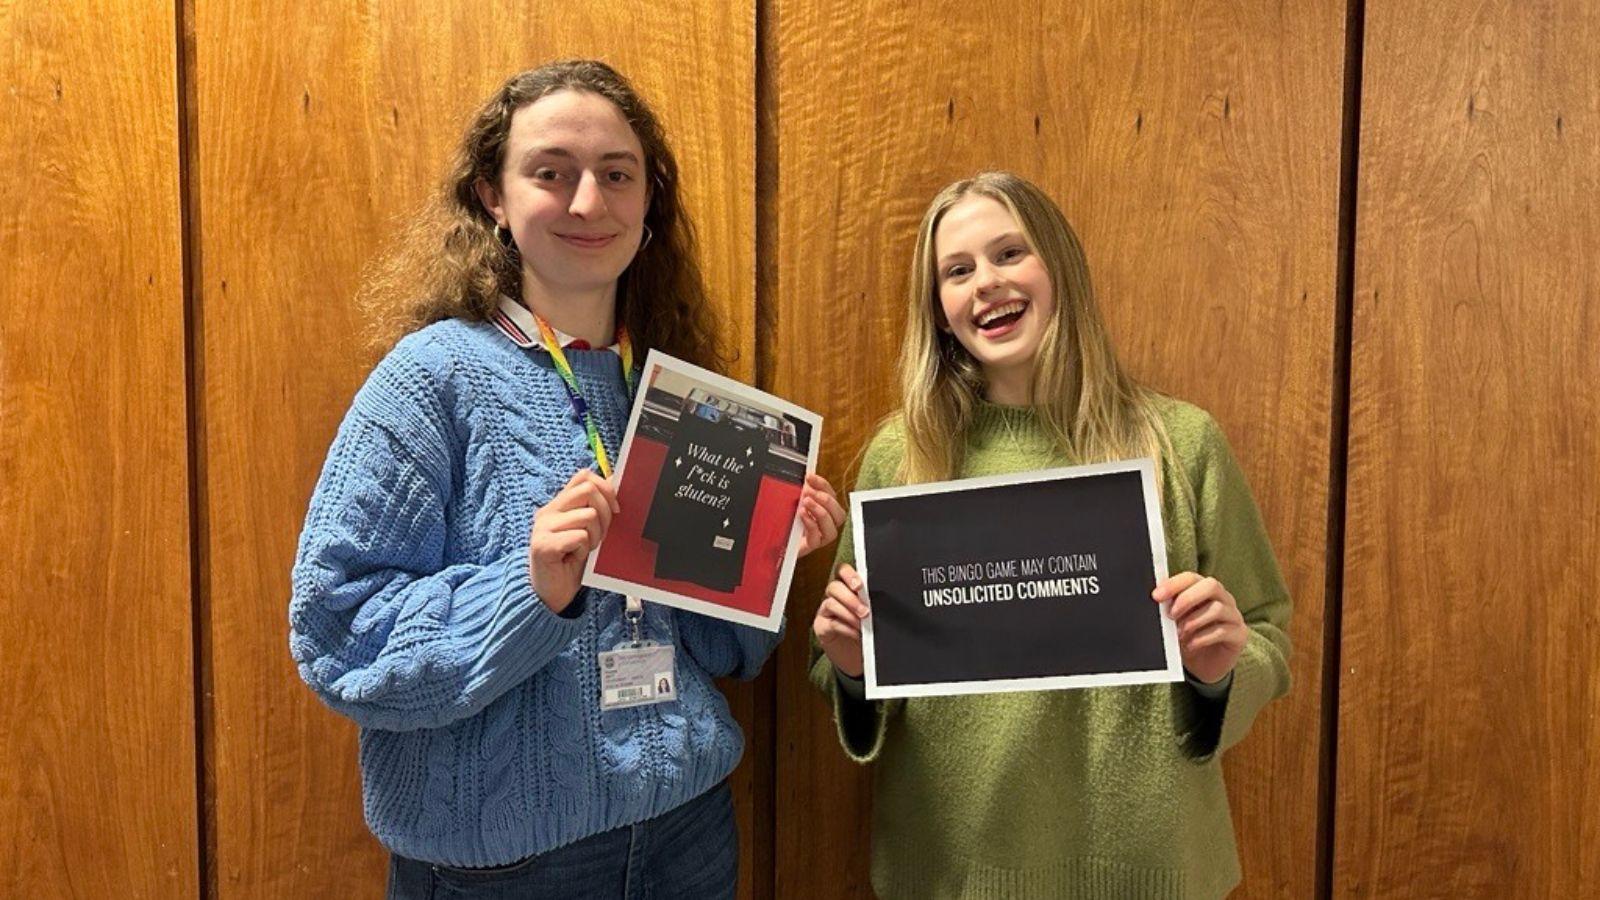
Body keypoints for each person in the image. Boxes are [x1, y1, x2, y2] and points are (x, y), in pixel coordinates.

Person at [288, 59, 845, 899]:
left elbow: (729, 654)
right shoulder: (429, 378)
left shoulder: (676, 393)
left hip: (686, 836)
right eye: (551, 173)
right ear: (492, 197)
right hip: (509, 872)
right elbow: (334, 630)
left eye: (617, 175)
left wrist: (768, 557)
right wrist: (530, 591)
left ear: (649, 200)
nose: (588, 203)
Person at [810, 171, 1292, 899]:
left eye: (1010, 254)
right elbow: (844, 667)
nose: (987, 285)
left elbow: (1265, 635)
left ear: (1059, 267)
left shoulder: (1181, 443)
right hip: (954, 867)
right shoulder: (901, 460)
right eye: (958, 270)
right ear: (939, 310)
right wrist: (847, 664)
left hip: (1149, 867)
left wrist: (1221, 665)